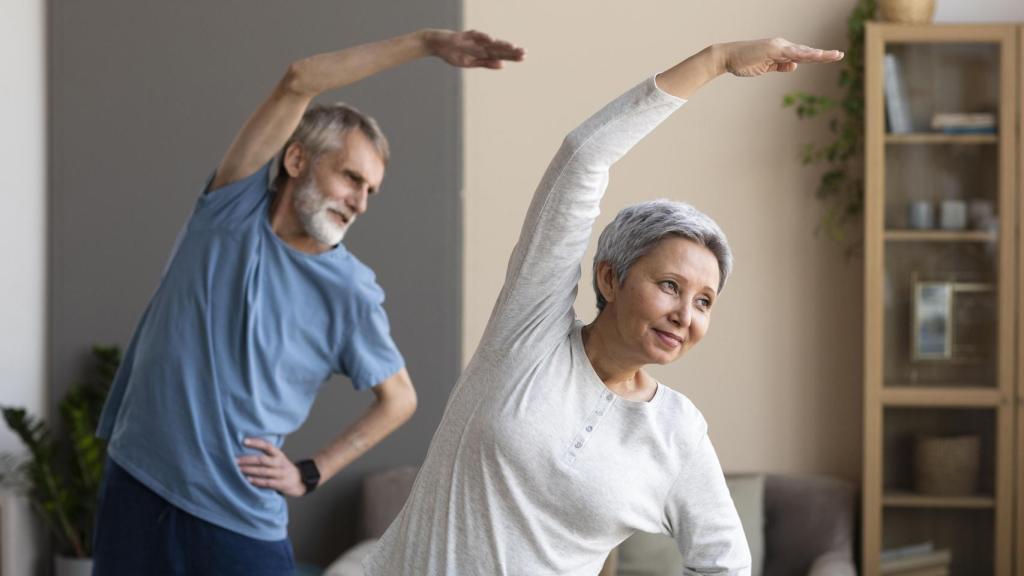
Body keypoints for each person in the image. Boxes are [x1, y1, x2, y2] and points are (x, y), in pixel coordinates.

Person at [365, 38, 843, 575]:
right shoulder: (530, 333)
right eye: (669, 285)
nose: (685, 314)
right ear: (610, 278)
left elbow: (725, 563)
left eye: (704, 301)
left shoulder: (676, 432)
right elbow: (583, 157)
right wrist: (715, 62)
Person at [91, 29, 525, 575]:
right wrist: (426, 44)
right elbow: (299, 80)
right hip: (136, 484)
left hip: (235, 518)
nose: (360, 202)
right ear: (296, 159)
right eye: (351, 178)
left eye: (371, 191)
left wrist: (312, 471)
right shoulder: (230, 209)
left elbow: (401, 399)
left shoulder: (351, 291)